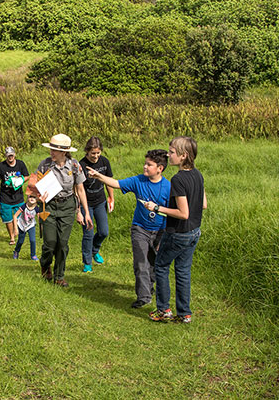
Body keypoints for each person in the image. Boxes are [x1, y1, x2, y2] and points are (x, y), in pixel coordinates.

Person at [87, 149, 170, 309]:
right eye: (145, 163)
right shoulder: (138, 181)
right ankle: (143, 297)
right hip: (140, 229)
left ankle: (151, 289)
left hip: (160, 231)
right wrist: (99, 177)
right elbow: (117, 183)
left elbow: (173, 212)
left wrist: (165, 234)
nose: (145, 167)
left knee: (154, 263)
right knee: (140, 263)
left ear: (160, 168)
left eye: (149, 165)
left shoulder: (168, 187)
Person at [142, 136, 207, 324]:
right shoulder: (198, 175)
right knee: (183, 271)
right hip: (194, 232)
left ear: (183, 155)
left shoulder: (178, 179)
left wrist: (156, 208)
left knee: (161, 266)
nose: (168, 155)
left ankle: (163, 310)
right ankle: (184, 313)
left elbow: (183, 213)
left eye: (172, 152)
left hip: (178, 233)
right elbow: (203, 204)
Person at [36, 133, 91, 288]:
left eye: (55, 150)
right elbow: (33, 187)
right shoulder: (44, 165)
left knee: (63, 243)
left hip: (67, 206)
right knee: (50, 243)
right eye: (51, 149)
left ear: (64, 152)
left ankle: (59, 276)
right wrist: (38, 196)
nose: (51, 152)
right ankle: (45, 264)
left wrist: (85, 212)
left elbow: (80, 190)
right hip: (48, 206)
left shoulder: (74, 166)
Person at [78, 137, 114, 273]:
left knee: (104, 231)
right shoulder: (81, 165)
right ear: (87, 151)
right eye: (93, 153)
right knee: (88, 233)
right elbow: (78, 188)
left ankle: (95, 249)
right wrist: (80, 210)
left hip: (100, 201)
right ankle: (87, 263)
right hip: (86, 203)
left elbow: (108, 180)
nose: (96, 156)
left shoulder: (104, 162)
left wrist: (111, 197)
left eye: (98, 153)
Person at [0, 146, 29, 246]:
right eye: (8, 155)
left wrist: (19, 181)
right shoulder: (1, 166)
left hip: (18, 196)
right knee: (8, 218)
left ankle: (18, 231)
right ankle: (12, 237)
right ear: (6, 156)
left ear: (14, 155)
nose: (10, 157)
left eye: (12, 155)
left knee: (19, 217)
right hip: (5, 197)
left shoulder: (20, 164)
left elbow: (27, 176)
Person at [11, 194, 40, 261]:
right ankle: (16, 251)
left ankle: (33, 255)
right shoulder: (24, 206)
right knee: (20, 241)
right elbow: (15, 216)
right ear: (27, 198)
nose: (32, 198)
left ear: (37, 200)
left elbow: (39, 219)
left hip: (31, 225)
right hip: (22, 225)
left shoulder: (36, 208)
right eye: (30, 197)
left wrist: (42, 226)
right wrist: (15, 229)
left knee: (33, 240)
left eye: (34, 197)